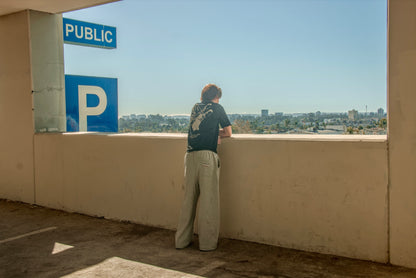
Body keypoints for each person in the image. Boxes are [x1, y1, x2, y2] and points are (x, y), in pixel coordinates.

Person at [175, 83, 232, 251]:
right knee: (209, 201)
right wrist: (217, 134)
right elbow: (228, 132)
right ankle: (207, 244)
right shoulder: (217, 108)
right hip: (207, 156)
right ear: (217, 97)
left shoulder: (195, 107)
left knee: (189, 200)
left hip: (190, 155)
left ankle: (181, 241)